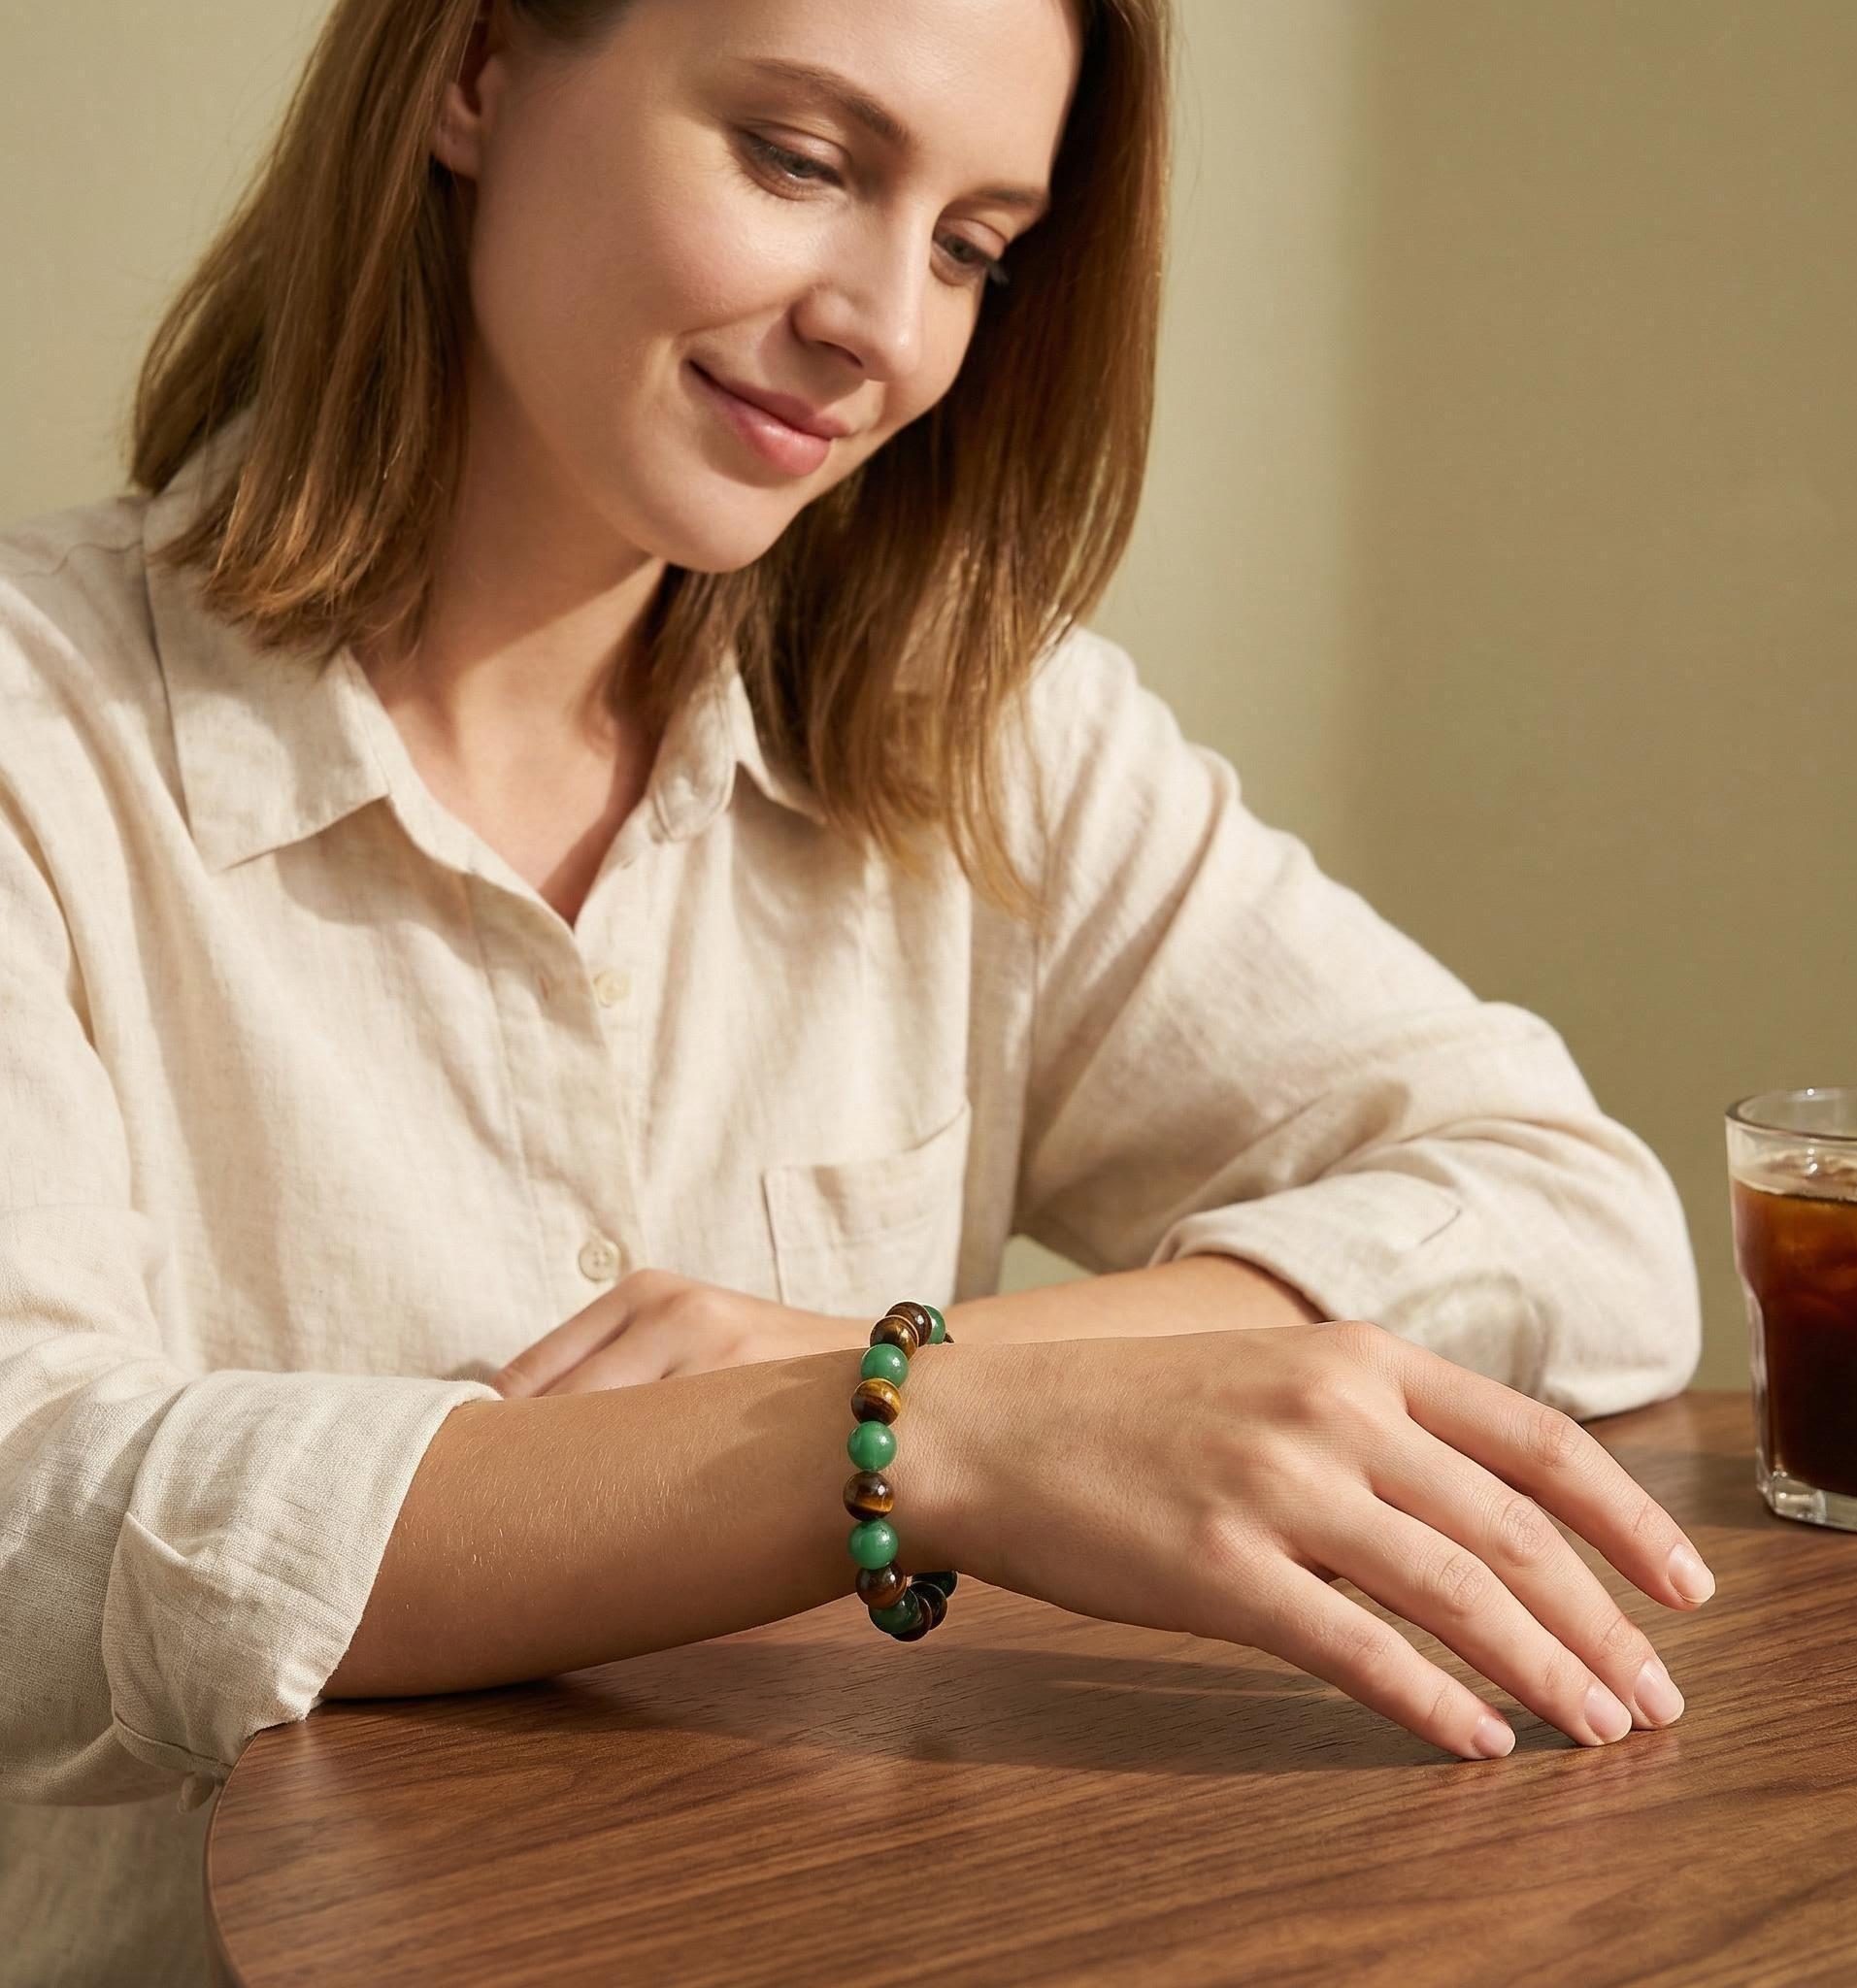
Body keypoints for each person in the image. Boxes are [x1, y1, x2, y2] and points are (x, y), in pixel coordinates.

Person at [0, 0, 1713, 1978]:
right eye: (801, 161)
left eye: (975, 247)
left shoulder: (979, 731)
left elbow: (1573, 1212)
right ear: (473, 70)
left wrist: (949, 1383)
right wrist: (900, 1441)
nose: (883, 328)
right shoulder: (46, 737)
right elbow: (32, 1528)